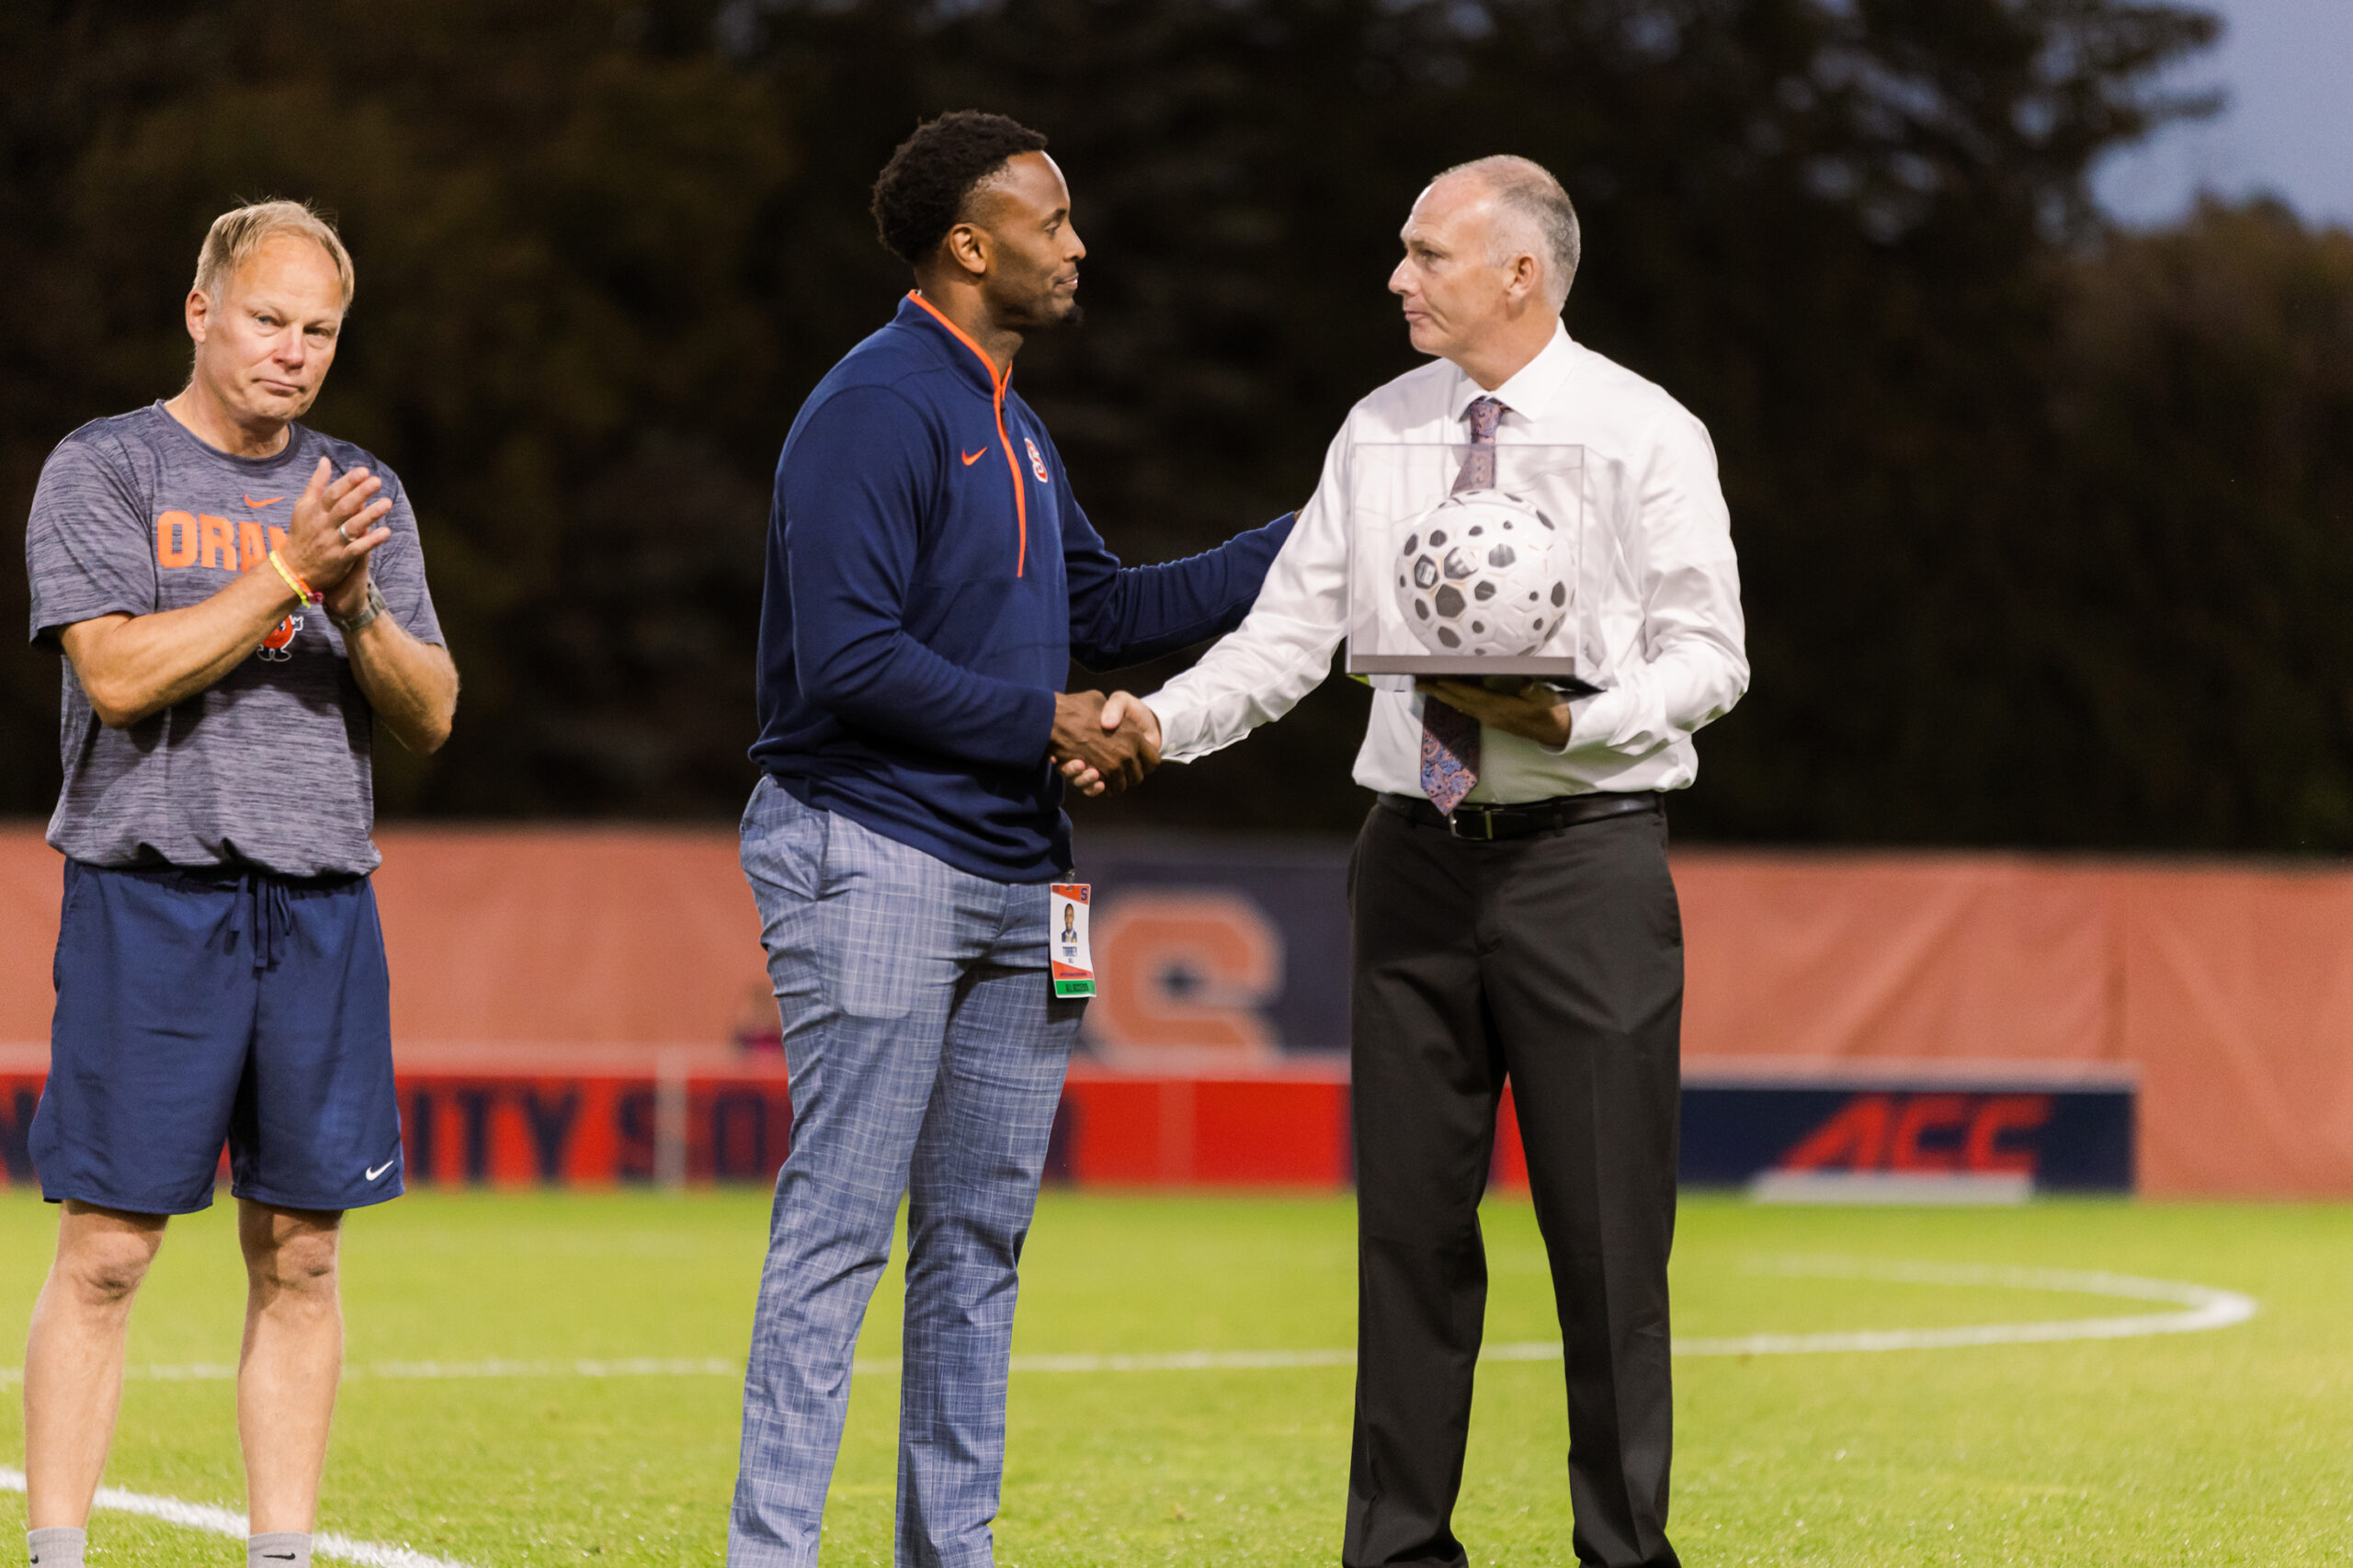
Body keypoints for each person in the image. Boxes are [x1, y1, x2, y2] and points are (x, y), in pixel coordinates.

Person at [1109, 156, 1747, 1568]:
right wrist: (1158, 720)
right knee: (1405, 1241)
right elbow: (1287, 642)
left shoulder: (1648, 431)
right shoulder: (1379, 432)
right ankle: (1396, 1554)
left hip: (1588, 864)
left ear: (1520, 271)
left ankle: (1624, 1554)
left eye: (1425, 255)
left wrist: (1580, 721)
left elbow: (1713, 658)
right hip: (1412, 861)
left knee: (1607, 1250)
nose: (1398, 280)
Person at [731, 111, 1293, 1568]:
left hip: (1014, 873)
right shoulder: (878, 402)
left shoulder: (1015, 424)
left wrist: (1329, 533)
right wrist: (1046, 722)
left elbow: (1109, 613)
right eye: (1052, 221)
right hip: (877, 848)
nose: (1077, 244)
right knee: (841, 1230)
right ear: (971, 246)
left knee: (977, 1245)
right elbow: (844, 659)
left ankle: (950, 1554)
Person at [18, 200, 459, 1568]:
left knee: (305, 1255)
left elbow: (432, 712)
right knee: (108, 1250)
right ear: (201, 311)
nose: (294, 352)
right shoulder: (107, 468)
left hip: (321, 902)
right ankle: (58, 1551)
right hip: (152, 897)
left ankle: (281, 1551)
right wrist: (286, 571)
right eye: (268, 319)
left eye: (320, 330)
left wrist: (360, 601)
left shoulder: (357, 490)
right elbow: (119, 673)